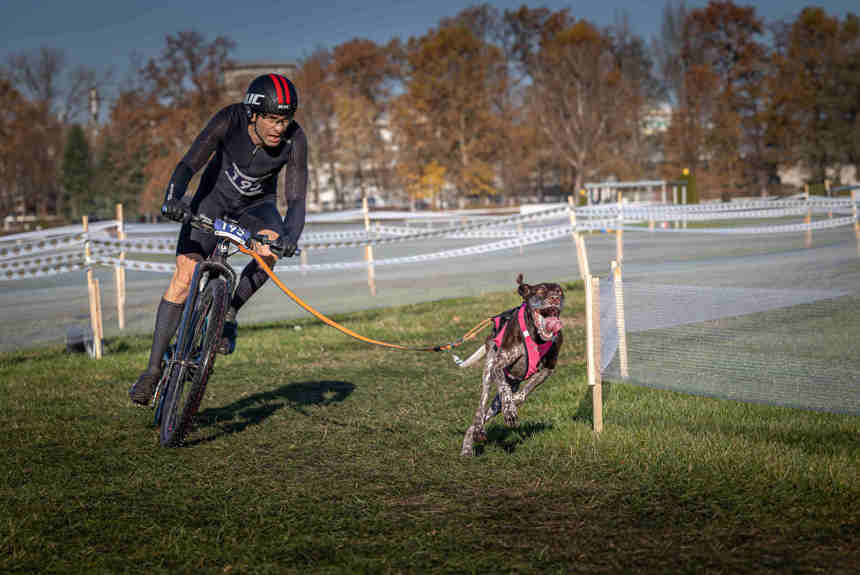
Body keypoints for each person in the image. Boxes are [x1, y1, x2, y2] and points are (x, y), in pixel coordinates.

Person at [129, 73, 308, 405]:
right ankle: (152, 371)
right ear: (253, 114)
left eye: (284, 120)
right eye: (271, 118)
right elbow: (189, 164)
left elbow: (296, 198)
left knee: (270, 250)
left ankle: (228, 314)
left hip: (257, 208)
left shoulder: (295, 140)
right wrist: (174, 199)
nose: (279, 128)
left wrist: (290, 237)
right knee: (185, 274)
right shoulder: (230, 118)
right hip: (211, 202)